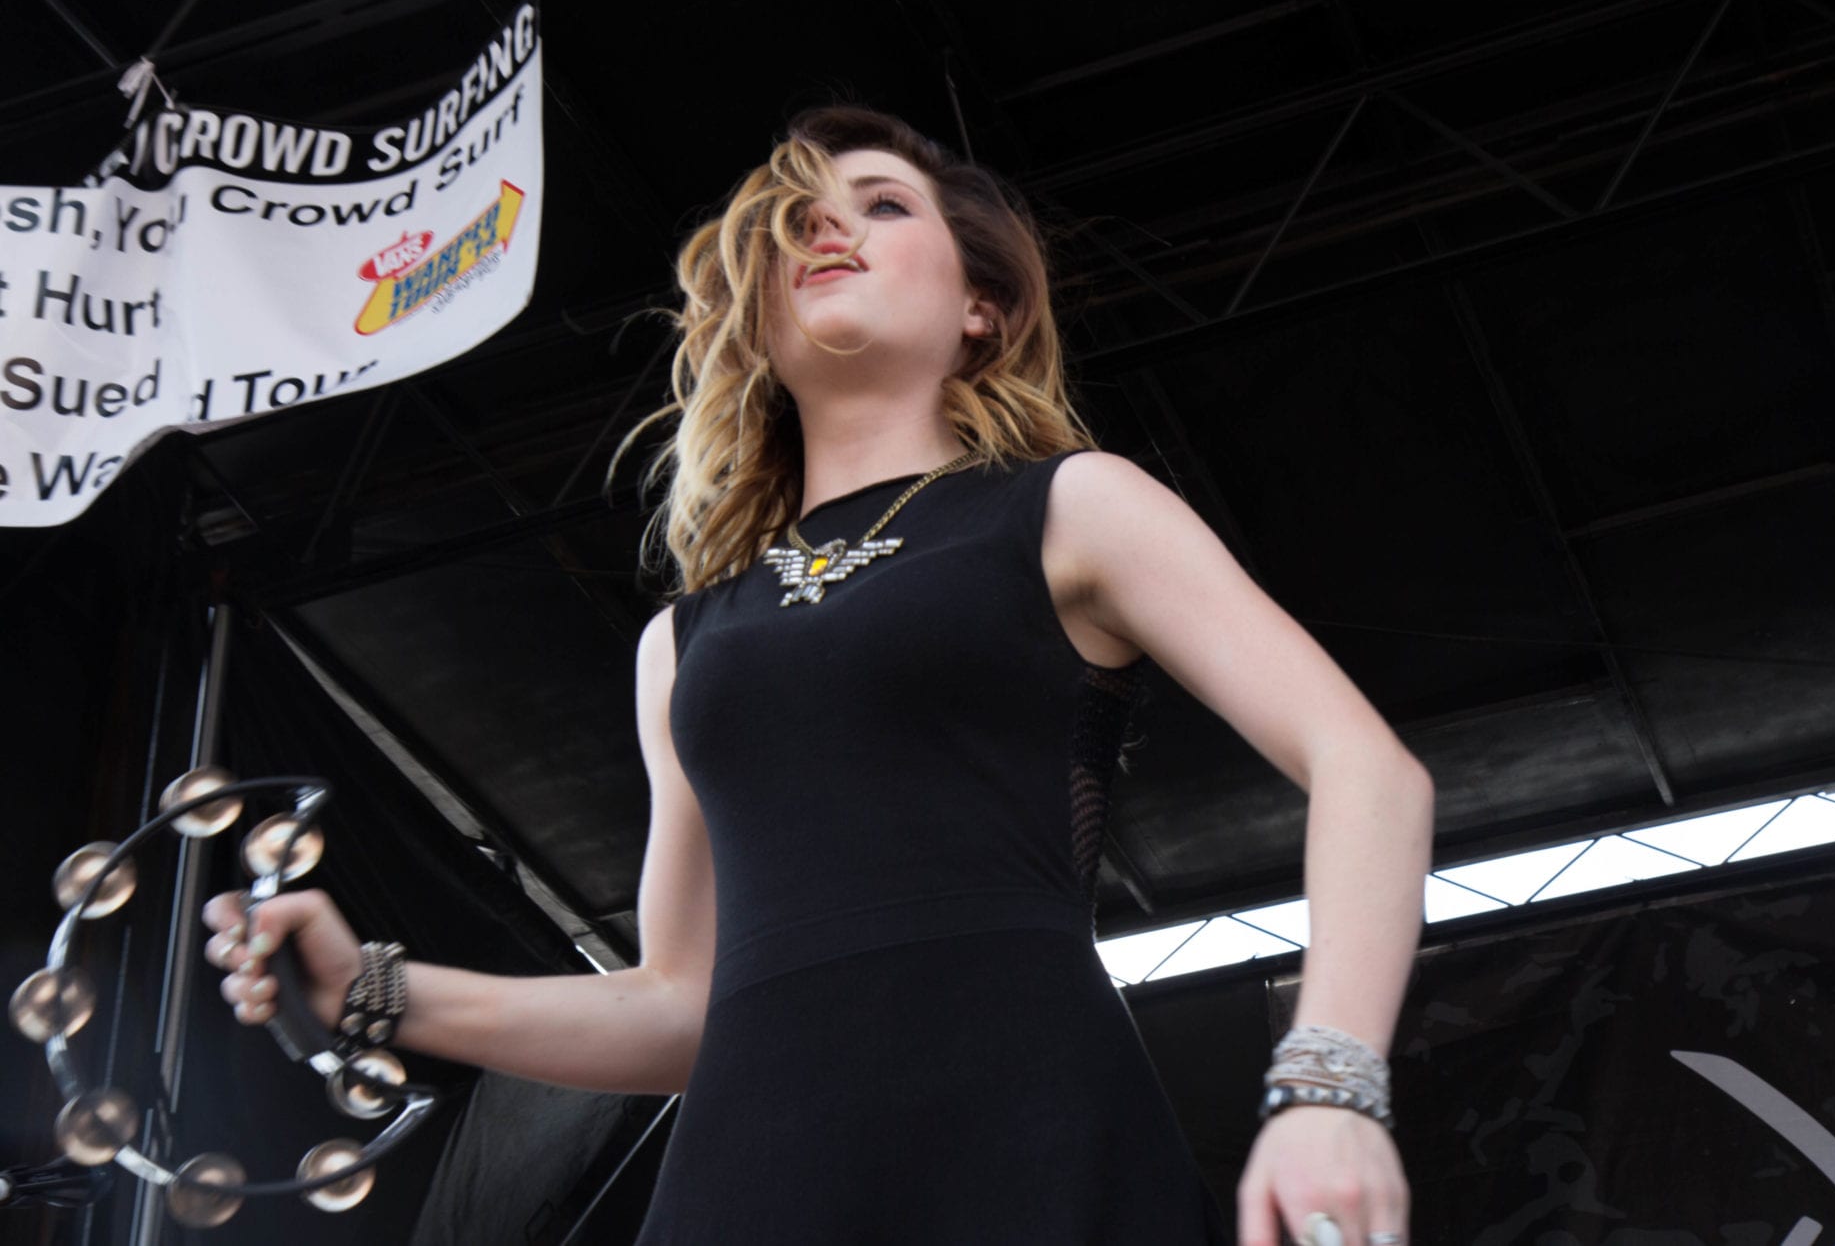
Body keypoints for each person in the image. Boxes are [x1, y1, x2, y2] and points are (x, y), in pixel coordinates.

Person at [201, 106, 1434, 1246]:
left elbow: (1364, 769)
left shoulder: (1071, 507)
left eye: (882, 206)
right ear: (754, 315)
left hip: (1028, 1128)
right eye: (793, 224)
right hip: (753, 1176)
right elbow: (681, 1005)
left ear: (982, 307)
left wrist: (1328, 1081)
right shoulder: (682, 641)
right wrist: (375, 991)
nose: (827, 231)